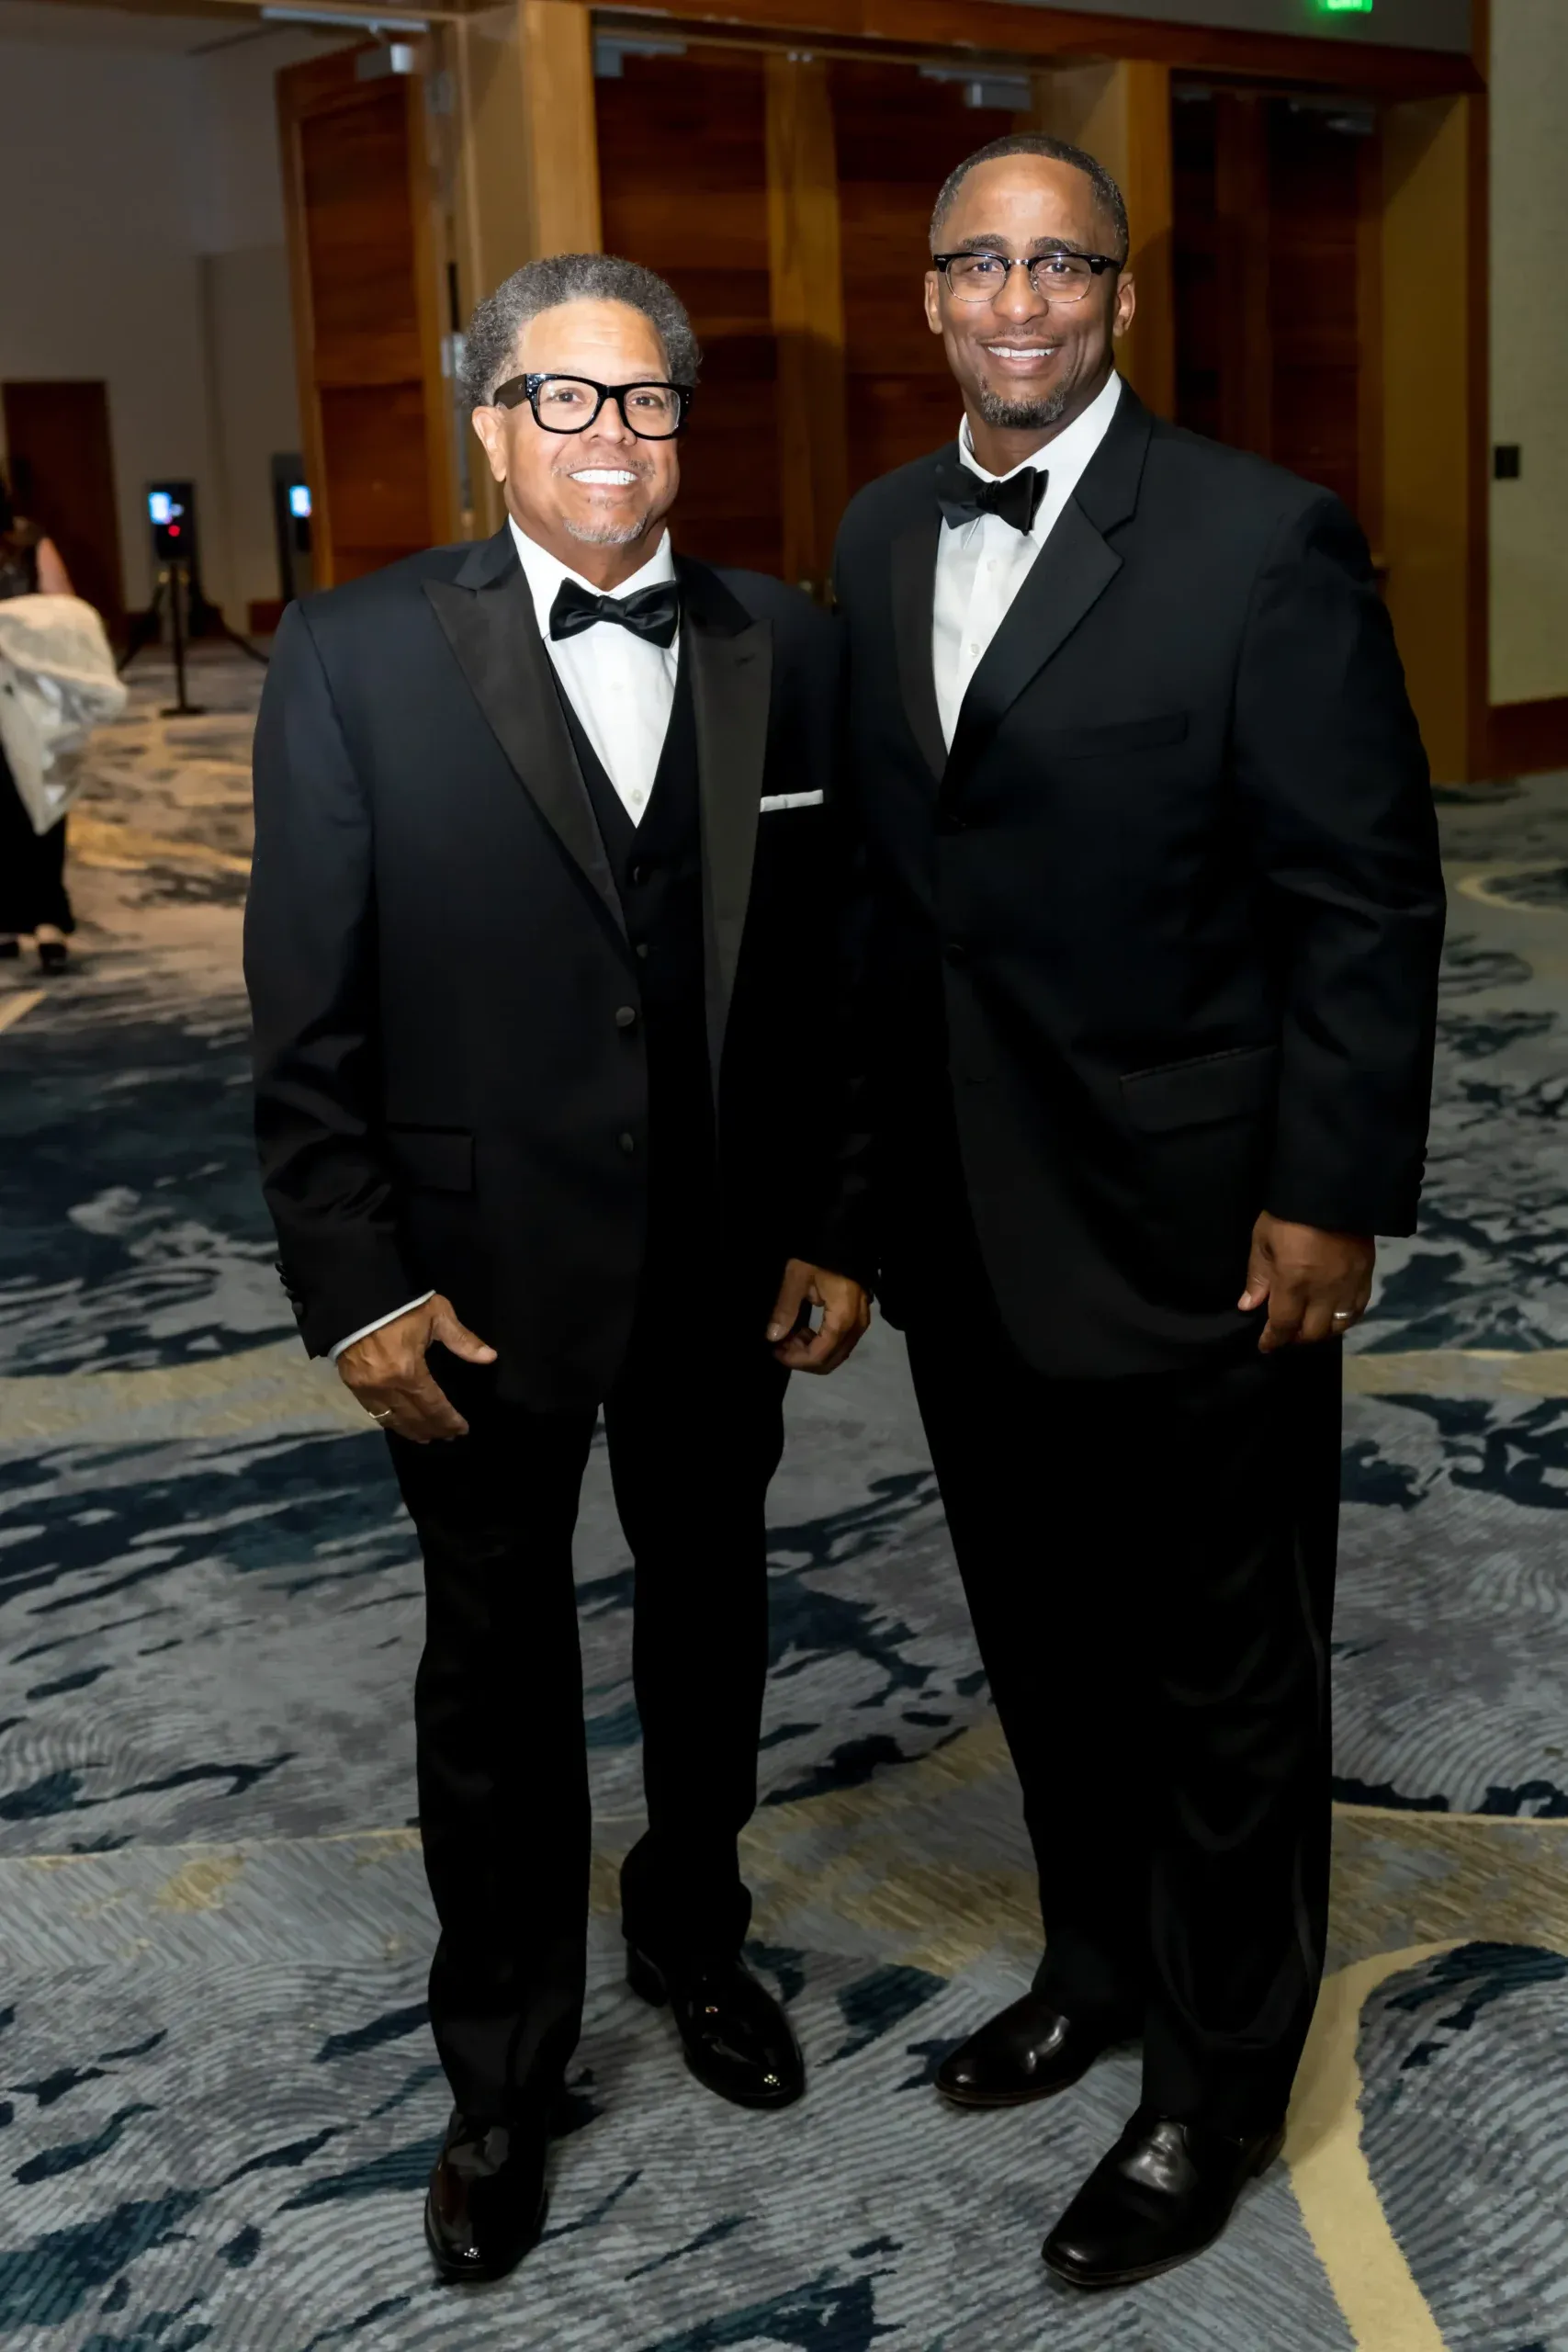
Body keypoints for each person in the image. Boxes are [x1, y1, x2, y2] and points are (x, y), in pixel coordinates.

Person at [832, 134, 1445, 2289]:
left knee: (1219, 1671)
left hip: (1198, 1221)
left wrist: (1325, 1191)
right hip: (960, 1217)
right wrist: (851, 1194)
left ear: (1112, 295)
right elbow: (882, 902)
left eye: (1058, 264)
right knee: (1040, 1638)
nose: (1016, 300)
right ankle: (1091, 1962)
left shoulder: (1259, 538)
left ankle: (1214, 2071)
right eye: (977, 263)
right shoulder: (874, 529)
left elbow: (1359, 895)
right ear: (930, 295)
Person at [244, 254, 872, 2286]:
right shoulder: (350, 652)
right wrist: (354, 1283)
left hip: (721, 1260)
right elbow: (305, 1007)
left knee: (711, 1621)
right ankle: (500, 2068)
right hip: (471, 1277)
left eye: (647, 399)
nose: (613, 436)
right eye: (566, 398)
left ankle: (694, 1932)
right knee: (495, 1674)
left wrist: (837, 1214)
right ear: (490, 424)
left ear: (683, 426)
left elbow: (837, 967)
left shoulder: (787, 639)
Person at [0, 473, 76, 972]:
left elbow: (64, 611)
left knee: (41, 796)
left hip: (27, 689)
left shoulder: (30, 541)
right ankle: (6, 917)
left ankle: (47, 915)